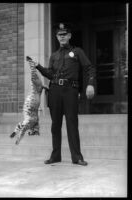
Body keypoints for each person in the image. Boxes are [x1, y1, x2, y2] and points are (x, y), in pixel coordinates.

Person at [28, 22, 95, 166]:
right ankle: (56, 156)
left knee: (72, 123)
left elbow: (89, 68)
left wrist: (90, 84)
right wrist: (38, 66)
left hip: (70, 90)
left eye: (64, 34)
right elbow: (51, 75)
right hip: (55, 92)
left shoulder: (77, 52)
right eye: (59, 35)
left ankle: (77, 157)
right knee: (55, 125)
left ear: (69, 36)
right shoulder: (54, 55)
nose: (62, 37)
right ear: (56, 37)